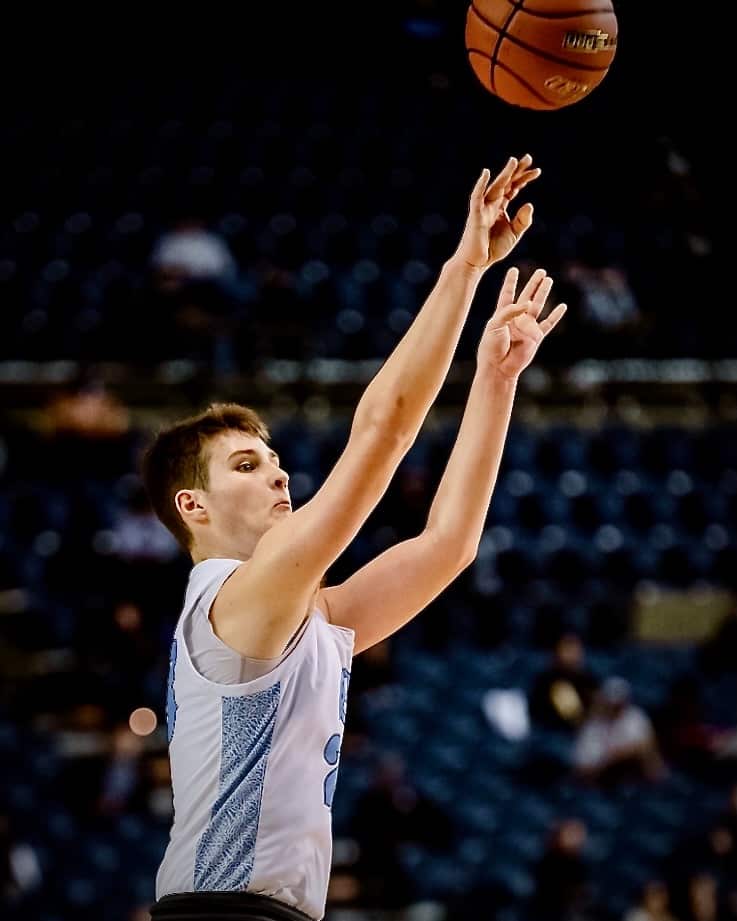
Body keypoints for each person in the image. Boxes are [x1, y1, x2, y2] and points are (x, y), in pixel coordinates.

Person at [142, 154, 567, 921]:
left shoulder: (292, 615)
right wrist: (464, 267)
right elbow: (385, 427)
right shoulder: (232, 604)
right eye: (245, 464)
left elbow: (447, 545)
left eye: (274, 460)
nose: (278, 476)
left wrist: (495, 381)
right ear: (192, 506)